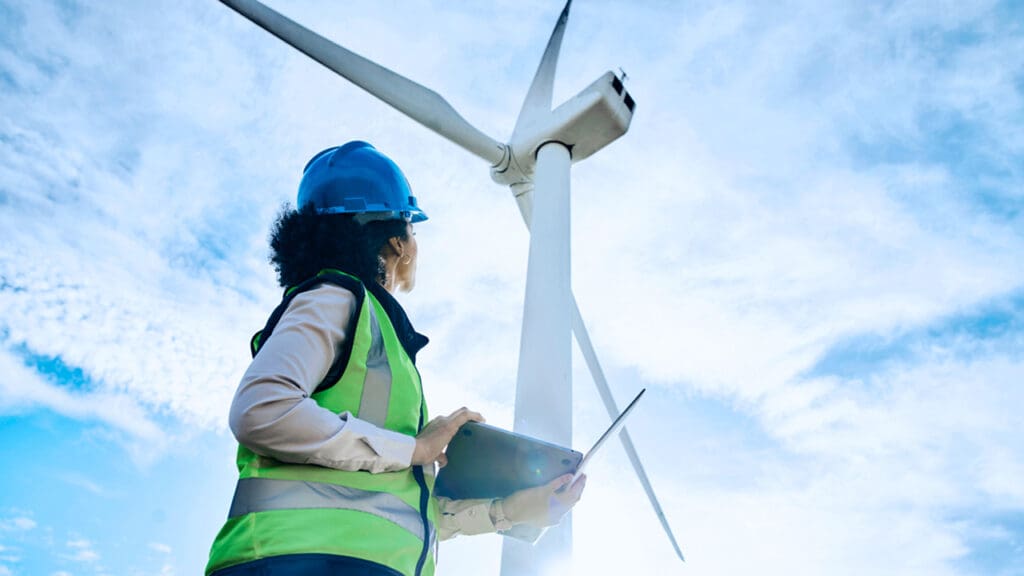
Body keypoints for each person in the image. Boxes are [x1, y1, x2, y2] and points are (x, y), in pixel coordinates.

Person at [206, 141, 586, 576]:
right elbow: (261, 411)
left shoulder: (381, 344)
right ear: (397, 242)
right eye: (412, 230)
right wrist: (415, 448)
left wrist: (516, 509)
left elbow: (397, 512)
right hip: (298, 563)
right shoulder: (335, 299)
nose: (415, 244)